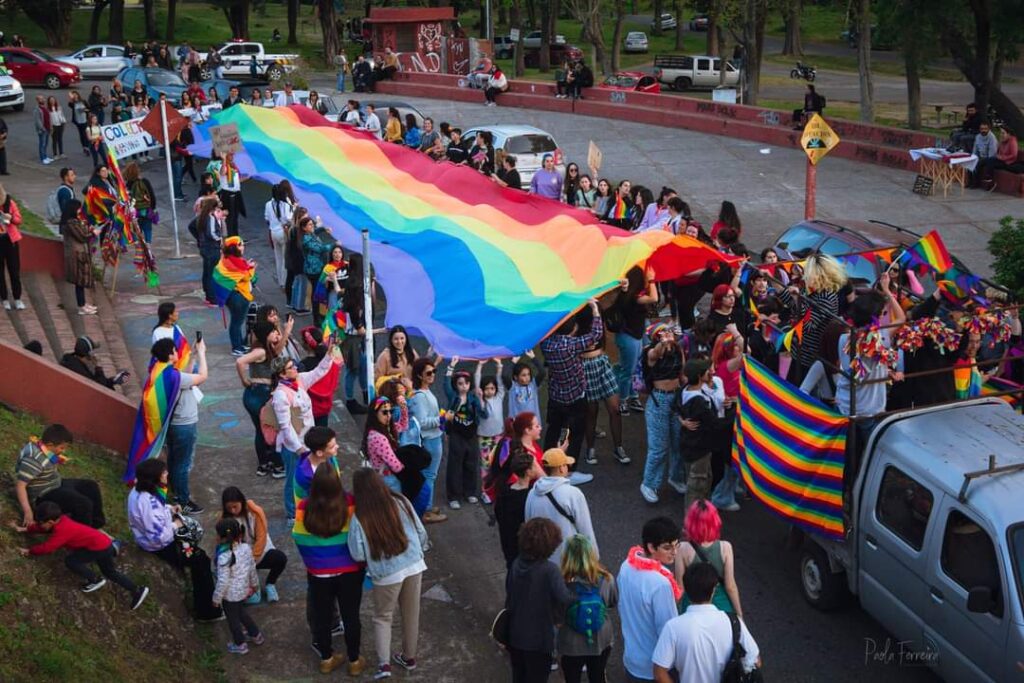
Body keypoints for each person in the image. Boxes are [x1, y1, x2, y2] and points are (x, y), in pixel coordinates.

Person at [292, 428, 367, 675]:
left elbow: (299, 536)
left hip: (319, 573)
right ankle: (355, 661)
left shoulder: (304, 508)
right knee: (351, 615)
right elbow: (357, 536)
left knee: (322, 615)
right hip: (349, 572)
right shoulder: (350, 503)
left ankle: (326, 658)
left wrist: (315, 562)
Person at [347, 469, 427, 680]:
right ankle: (409, 658)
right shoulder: (401, 501)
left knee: (383, 616)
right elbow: (421, 532)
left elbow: (356, 553)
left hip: (386, 573)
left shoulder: (359, 516)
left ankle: (384, 665)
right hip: (414, 564)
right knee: (411, 614)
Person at [127, 459, 222, 621]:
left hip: (154, 539)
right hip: (160, 546)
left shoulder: (140, 492)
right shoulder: (146, 502)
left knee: (199, 555)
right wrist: (176, 525)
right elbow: (157, 536)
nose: (167, 474)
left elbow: (156, 512)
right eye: (163, 473)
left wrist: (170, 509)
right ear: (154, 478)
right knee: (200, 560)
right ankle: (207, 612)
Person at [10, 501, 150, 610]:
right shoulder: (60, 521)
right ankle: (137, 590)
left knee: (71, 561)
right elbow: (42, 529)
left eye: (41, 522)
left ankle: (95, 579)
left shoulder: (63, 530)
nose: (39, 525)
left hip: (97, 547)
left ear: (51, 521)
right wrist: (24, 529)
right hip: (104, 543)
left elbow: (48, 547)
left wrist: (29, 551)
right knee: (110, 571)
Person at [652, 563, 760, 683]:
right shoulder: (733, 622)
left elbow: (659, 672)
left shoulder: (673, 627)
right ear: (714, 590)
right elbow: (755, 660)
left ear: (686, 590)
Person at [270, 347, 342, 521]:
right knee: (294, 480)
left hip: (310, 441)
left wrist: (329, 353)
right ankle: (292, 514)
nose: (296, 368)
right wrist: (299, 449)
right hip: (296, 446)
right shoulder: (280, 395)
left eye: (294, 365)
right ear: (282, 374)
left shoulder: (300, 381)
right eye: (291, 367)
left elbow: (319, 372)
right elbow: (285, 427)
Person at [539, 298, 604, 473]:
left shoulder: (546, 343)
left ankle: (547, 464)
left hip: (555, 395)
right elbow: (596, 334)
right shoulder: (570, 345)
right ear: (573, 329)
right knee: (575, 433)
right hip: (575, 396)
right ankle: (570, 469)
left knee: (553, 431)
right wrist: (594, 309)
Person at [505, 517, 573, 682]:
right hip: (538, 640)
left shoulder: (516, 563)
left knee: (519, 676)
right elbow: (565, 598)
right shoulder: (549, 570)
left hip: (515, 634)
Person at [147, 336, 209, 513]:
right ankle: (183, 499)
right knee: (182, 463)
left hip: (172, 425)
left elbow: (186, 376)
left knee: (174, 460)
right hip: (184, 425)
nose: (177, 352)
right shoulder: (173, 375)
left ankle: (175, 491)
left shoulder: (161, 371)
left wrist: (194, 356)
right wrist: (203, 354)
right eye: (175, 350)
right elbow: (202, 376)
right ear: (170, 354)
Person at [617, 517, 682, 681]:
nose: (674, 552)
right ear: (651, 547)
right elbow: (668, 630)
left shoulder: (626, 566)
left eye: (676, 545)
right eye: (667, 547)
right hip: (655, 668)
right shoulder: (660, 584)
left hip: (631, 660)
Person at [14, 424, 106, 529]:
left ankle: (96, 524)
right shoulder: (34, 460)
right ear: (50, 444)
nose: (63, 451)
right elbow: (20, 486)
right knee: (84, 504)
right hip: (44, 494)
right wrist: (28, 511)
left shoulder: (44, 447)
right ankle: (82, 537)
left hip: (55, 483)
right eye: (62, 448)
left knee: (91, 486)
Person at [559, 534, 618, 683]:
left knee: (572, 678)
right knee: (597, 675)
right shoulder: (606, 578)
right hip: (600, 637)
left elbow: (557, 612)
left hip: (571, 642)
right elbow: (612, 602)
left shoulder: (561, 582)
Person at [525, 448, 599, 566]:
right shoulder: (573, 493)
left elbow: (528, 524)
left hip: (541, 559)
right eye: (566, 465)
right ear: (561, 468)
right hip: (567, 560)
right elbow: (585, 528)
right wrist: (594, 557)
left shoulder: (532, 493)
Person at [640, 323, 686, 504]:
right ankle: (649, 484)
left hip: (676, 398)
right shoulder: (650, 352)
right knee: (658, 447)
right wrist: (662, 344)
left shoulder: (678, 349)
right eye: (663, 333)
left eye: (669, 331)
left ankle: (676, 477)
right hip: (658, 400)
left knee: (678, 442)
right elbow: (655, 355)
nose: (668, 335)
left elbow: (682, 374)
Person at [219, 486, 288, 605]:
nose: (233, 511)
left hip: (259, 553)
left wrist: (252, 560)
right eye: (229, 508)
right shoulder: (224, 520)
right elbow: (223, 541)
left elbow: (261, 538)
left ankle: (270, 583)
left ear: (241, 501)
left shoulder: (255, 513)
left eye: (235, 506)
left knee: (280, 558)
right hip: (239, 556)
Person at [236, 321, 286, 478]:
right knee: (273, 429)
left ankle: (264, 464)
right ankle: (277, 465)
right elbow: (240, 361)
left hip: (255, 395)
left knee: (261, 429)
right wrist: (244, 380)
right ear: (266, 335)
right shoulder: (261, 351)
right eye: (273, 332)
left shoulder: (266, 348)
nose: (276, 335)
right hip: (260, 395)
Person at [675, 500, 743, 617]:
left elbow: (680, 587)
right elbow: (730, 586)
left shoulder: (682, 549)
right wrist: (739, 613)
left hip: (692, 604)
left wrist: (676, 611)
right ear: (715, 521)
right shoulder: (725, 547)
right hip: (720, 605)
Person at [212, 518, 265, 655]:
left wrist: (216, 598)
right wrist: (254, 585)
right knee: (241, 613)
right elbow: (252, 569)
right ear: (238, 534)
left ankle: (240, 644)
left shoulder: (224, 556)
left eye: (217, 534)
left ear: (222, 538)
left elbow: (222, 581)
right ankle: (256, 635)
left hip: (230, 596)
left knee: (233, 620)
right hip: (243, 591)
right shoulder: (246, 548)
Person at [611, 267, 658, 415]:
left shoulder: (631, 294)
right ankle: (623, 400)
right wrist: (651, 280)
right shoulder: (634, 297)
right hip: (628, 338)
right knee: (628, 371)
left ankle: (633, 396)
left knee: (633, 369)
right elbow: (654, 298)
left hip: (634, 337)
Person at [407, 357, 448, 523]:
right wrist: (442, 419)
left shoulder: (424, 393)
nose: (432, 375)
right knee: (429, 476)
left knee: (429, 475)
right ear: (419, 376)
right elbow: (422, 423)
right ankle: (425, 510)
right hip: (430, 439)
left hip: (434, 437)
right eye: (428, 373)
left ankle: (427, 506)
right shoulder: (420, 397)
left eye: (434, 371)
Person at [494, 449, 545, 569]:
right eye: (534, 466)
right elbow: (547, 482)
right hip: (524, 546)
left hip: (507, 541)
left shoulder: (505, 491)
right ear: (528, 471)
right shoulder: (529, 497)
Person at [213, 236, 257, 356]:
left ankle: (240, 345)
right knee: (237, 322)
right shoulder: (235, 262)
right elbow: (247, 277)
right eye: (240, 244)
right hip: (238, 296)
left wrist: (247, 266)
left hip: (234, 296)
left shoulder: (228, 260)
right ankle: (237, 347)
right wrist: (252, 268)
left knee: (237, 322)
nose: (243, 247)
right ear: (234, 248)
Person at [55, 198, 97, 316]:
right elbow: (82, 236)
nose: (80, 211)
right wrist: (93, 233)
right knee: (79, 281)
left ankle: (83, 303)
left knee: (81, 282)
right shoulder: (70, 223)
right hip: (77, 255)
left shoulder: (73, 221)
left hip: (78, 254)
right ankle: (81, 306)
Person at [474, 360, 506, 503]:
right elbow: (476, 383)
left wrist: (499, 366)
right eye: (486, 388)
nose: (489, 391)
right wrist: (480, 366)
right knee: (486, 465)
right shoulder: (480, 399)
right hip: (484, 437)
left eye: (492, 388)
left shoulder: (499, 397)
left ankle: (498, 489)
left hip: (498, 435)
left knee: (499, 463)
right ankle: (485, 491)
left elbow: (500, 382)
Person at [362, 395, 407, 492]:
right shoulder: (379, 438)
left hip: (381, 477)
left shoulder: (384, 428)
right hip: (388, 480)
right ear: (375, 413)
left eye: (391, 411)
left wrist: (403, 408)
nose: (389, 415)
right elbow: (396, 466)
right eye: (384, 412)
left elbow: (403, 426)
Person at [60, 335, 129, 388]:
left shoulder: (71, 360)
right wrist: (98, 367)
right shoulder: (80, 371)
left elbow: (97, 381)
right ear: (88, 355)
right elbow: (101, 388)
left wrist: (113, 381)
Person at [196, 197, 225, 305]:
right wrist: (220, 239)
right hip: (212, 249)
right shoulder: (211, 218)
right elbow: (212, 233)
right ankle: (212, 297)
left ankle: (208, 294)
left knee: (207, 273)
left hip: (204, 248)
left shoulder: (201, 217)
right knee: (213, 274)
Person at [264, 182, 294, 286]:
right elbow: (288, 219)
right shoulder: (285, 205)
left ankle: (281, 281)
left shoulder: (268, 204)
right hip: (283, 233)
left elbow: (267, 218)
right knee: (285, 258)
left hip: (273, 233)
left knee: (278, 258)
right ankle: (285, 282)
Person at [208, 152, 245, 237]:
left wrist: (247, 178)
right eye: (230, 155)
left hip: (236, 194)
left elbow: (236, 181)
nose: (233, 156)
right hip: (228, 195)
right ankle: (229, 236)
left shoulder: (234, 167)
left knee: (235, 217)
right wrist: (224, 159)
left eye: (233, 155)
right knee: (229, 217)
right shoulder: (224, 166)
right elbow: (222, 173)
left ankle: (235, 236)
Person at [977, 125, 1020, 190]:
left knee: (990, 162)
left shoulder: (1012, 141)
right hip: (1000, 160)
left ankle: (990, 181)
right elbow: (999, 151)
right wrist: (999, 152)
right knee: (983, 161)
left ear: (1008, 134)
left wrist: (1002, 157)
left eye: (1003, 133)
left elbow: (1014, 155)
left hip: (1008, 162)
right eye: (1001, 133)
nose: (1001, 135)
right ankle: (977, 180)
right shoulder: (1003, 140)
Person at [123, 162, 157, 243]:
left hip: (135, 212)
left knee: (137, 231)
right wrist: (153, 208)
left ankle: (140, 247)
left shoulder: (128, 185)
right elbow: (151, 195)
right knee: (148, 228)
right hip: (146, 210)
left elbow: (127, 200)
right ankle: (148, 245)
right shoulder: (145, 181)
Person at [970, 119, 999, 187]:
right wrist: (973, 157)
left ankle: (975, 183)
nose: (983, 130)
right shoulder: (977, 136)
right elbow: (975, 150)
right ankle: (970, 182)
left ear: (989, 129)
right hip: (980, 157)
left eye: (985, 129)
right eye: (982, 129)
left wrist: (981, 159)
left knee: (978, 163)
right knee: (970, 161)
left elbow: (992, 154)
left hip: (989, 158)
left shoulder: (992, 138)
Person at [34, 95, 53, 165]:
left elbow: (48, 118)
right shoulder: (37, 110)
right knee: (42, 144)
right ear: (38, 101)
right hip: (42, 130)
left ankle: (45, 156)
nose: (43, 100)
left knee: (46, 143)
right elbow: (37, 121)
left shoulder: (45, 108)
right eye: (41, 99)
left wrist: (50, 126)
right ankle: (43, 158)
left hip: (47, 128)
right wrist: (42, 128)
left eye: (43, 98)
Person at [47, 95, 66, 160]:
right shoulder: (48, 110)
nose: (52, 101)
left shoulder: (59, 107)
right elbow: (49, 119)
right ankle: (55, 154)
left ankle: (61, 153)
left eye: (53, 100)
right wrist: (50, 127)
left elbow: (62, 115)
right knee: (54, 140)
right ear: (49, 102)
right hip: (54, 126)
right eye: (51, 100)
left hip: (60, 124)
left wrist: (64, 122)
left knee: (60, 139)